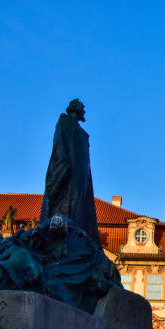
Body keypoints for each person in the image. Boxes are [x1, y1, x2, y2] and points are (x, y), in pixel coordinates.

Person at [40, 99, 101, 246]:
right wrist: (60, 173)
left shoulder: (79, 130)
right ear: (76, 109)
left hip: (81, 179)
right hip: (67, 174)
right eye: (82, 108)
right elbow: (59, 151)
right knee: (66, 208)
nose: (84, 112)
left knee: (80, 210)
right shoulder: (65, 124)